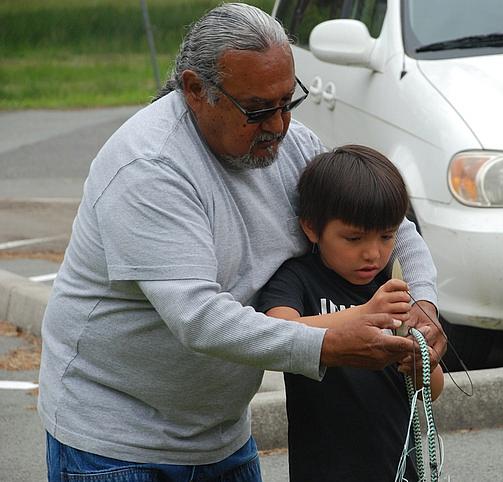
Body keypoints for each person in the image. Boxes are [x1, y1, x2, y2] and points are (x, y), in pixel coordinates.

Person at [37, 3, 445, 481]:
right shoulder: (150, 167)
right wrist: (327, 341)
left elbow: (393, 223)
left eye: (287, 102)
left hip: (222, 437)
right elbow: (199, 318)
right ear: (195, 90)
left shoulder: (291, 147)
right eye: (257, 110)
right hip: (117, 446)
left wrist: (425, 302)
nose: (278, 125)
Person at [255, 145, 444, 482]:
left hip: (400, 467)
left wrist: (422, 363)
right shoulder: (297, 278)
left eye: (386, 236)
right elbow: (277, 329)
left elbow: (431, 389)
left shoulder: (392, 286)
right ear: (312, 229)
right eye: (354, 238)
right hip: (326, 469)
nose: (373, 253)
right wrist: (363, 315)